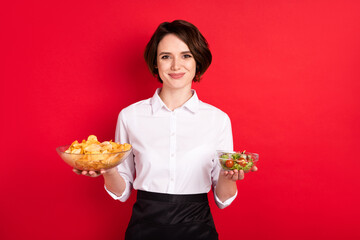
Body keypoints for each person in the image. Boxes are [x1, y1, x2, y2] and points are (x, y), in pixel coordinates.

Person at [74, 20, 257, 240]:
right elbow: (121, 193)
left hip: (198, 227)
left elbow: (222, 199)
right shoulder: (130, 116)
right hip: (144, 228)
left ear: (198, 61)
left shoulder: (218, 120)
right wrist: (108, 169)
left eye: (186, 55)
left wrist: (230, 177)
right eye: (166, 56)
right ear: (155, 64)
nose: (176, 66)